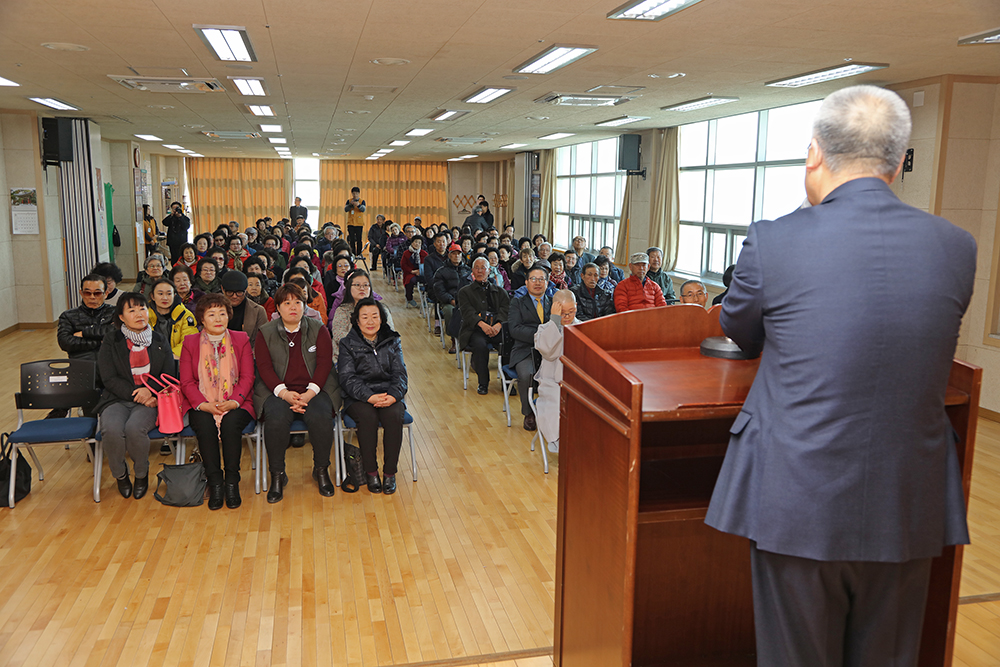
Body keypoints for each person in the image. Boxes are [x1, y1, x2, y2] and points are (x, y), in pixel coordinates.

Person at [704, 85, 977, 667]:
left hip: (796, 496)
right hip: (908, 499)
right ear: (901, 162)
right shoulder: (956, 246)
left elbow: (742, 332)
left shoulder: (774, 240)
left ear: (813, 153)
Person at [254, 284, 341, 503]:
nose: (293, 307)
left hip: (315, 389)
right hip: (278, 390)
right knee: (275, 419)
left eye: (298, 302)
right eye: (287, 303)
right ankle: (277, 475)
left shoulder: (318, 328)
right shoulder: (266, 332)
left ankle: (321, 470)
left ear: (305, 305)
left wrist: (309, 394)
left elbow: (323, 365)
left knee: (321, 416)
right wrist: (284, 394)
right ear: (278, 309)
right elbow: (264, 367)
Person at [178, 293, 255, 510]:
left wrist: (235, 401)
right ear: (202, 318)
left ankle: (232, 481)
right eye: (211, 314)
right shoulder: (190, 342)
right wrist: (203, 404)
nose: (218, 318)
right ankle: (215, 482)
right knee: (204, 425)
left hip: (237, 401)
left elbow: (248, 377)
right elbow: (187, 381)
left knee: (231, 424)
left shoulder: (241, 339)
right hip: (201, 402)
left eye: (222, 313)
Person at [95, 292, 172, 500]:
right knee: (111, 429)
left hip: (150, 400)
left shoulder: (158, 339)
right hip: (117, 399)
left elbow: (168, 373)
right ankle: (120, 475)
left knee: (134, 429)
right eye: (132, 310)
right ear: (121, 316)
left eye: (142, 309)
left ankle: (141, 474)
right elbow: (108, 377)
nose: (139, 314)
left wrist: (151, 391)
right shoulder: (112, 340)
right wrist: (135, 393)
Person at [338, 298, 408, 494]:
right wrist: (369, 397)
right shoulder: (347, 344)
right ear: (357, 321)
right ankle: (370, 472)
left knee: (394, 415)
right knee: (368, 418)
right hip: (358, 396)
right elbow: (347, 378)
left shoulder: (393, 340)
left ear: (382, 319)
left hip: (388, 393)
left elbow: (400, 374)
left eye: (375, 316)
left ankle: (389, 473)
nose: (370, 321)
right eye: (365, 317)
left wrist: (394, 395)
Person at [534, 290, 579, 453]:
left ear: (576, 308)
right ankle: (557, 440)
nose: (567, 317)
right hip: (552, 382)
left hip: (578, 382)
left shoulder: (583, 328)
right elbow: (548, 352)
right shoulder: (544, 329)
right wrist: (554, 321)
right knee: (555, 403)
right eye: (562, 313)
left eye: (571, 312)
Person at [508, 264, 551, 430]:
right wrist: (542, 333)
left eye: (541, 279)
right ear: (526, 283)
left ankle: (552, 411)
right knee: (527, 375)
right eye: (533, 279)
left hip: (550, 351)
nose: (538, 283)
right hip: (525, 350)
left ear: (547, 283)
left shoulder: (553, 302)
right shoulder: (517, 303)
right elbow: (515, 329)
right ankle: (529, 413)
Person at [458, 257, 509, 395]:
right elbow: (467, 313)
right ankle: (483, 383)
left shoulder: (500, 291)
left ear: (489, 271)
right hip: (475, 329)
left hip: (497, 328)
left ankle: (508, 381)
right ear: (472, 271)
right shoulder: (464, 292)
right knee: (480, 345)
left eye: (483, 268)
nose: (480, 271)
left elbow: (505, 310)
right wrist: (483, 325)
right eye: (477, 268)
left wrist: (498, 325)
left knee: (508, 342)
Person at [329, 270, 394, 363]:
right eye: (357, 285)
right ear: (349, 287)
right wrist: (365, 343)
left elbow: (389, 333)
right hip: (349, 358)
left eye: (366, 285)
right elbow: (339, 335)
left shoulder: (381, 309)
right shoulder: (343, 310)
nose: (362, 288)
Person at [57, 274, 115, 367]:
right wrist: (99, 342)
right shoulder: (68, 316)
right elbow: (65, 342)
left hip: (111, 365)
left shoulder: (115, 313)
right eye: (87, 293)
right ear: (81, 293)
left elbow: (116, 333)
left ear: (106, 294)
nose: (92, 297)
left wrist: (84, 334)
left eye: (97, 293)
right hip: (81, 366)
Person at [433, 243, 473, 354]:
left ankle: (470, 339)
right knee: (450, 311)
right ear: (449, 255)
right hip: (450, 301)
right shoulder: (441, 271)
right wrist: (451, 300)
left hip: (466, 300)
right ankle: (454, 339)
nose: (456, 256)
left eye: (458, 254)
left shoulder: (468, 270)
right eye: (453, 254)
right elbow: (439, 291)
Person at [146, 277, 198, 359]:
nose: (165, 298)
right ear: (152, 296)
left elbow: (190, 341)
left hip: (178, 360)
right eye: (160, 294)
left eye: (169, 294)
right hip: (151, 359)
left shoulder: (185, 315)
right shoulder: (145, 316)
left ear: (174, 295)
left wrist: (168, 356)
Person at [221, 270, 268, 345]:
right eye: (230, 292)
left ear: (245, 290)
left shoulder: (258, 311)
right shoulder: (212, 309)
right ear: (222, 289)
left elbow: (263, 341)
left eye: (239, 292)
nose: (234, 296)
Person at [401, 235, 427, 308]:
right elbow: (403, 265)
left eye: (419, 243)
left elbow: (427, 265)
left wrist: (421, 271)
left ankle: (426, 298)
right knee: (410, 280)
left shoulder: (424, 253)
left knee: (428, 280)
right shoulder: (406, 253)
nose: (417, 244)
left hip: (422, 273)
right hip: (410, 273)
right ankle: (409, 298)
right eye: (415, 242)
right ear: (412, 243)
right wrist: (412, 271)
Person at [345, 186, 366, 255]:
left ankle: (359, 253)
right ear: (352, 194)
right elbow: (346, 209)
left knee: (359, 239)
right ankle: (353, 252)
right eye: (353, 193)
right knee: (351, 239)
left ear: (359, 193)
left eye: (356, 193)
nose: (355, 195)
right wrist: (351, 205)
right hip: (351, 223)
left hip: (359, 224)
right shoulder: (349, 200)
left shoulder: (362, 201)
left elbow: (363, 209)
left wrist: (358, 205)